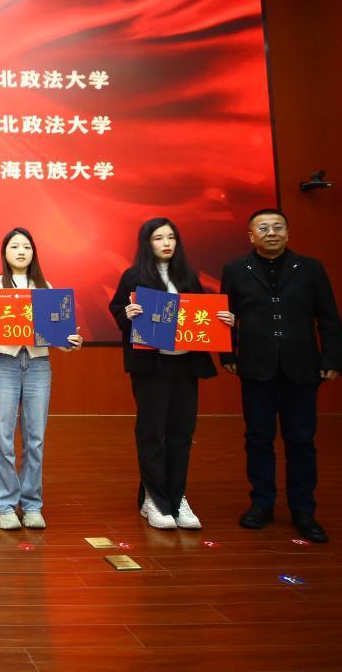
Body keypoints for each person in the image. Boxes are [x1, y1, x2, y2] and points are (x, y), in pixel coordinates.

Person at [221, 208, 342, 543]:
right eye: (263, 228)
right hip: (255, 367)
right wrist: (228, 354)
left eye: (278, 227)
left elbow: (329, 317)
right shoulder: (235, 269)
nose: (271, 232)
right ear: (251, 236)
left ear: (288, 233)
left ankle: (303, 510)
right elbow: (225, 316)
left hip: (302, 367)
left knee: (301, 441)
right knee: (258, 439)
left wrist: (332, 358)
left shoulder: (311, 268)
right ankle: (261, 504)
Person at [107, 218, 234, 531]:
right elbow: (118, 309)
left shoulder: (188, 275)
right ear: (147, 243)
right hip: (152, 366)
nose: (166, 243)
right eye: (158, 238)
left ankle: (177, 497)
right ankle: (156, 499)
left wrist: (224, 320)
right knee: (152, 431)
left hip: (185, 364)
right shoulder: (134, 275)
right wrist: (128, 313)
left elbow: (204, 316)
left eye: (171, 237)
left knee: (181, 432)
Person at [0, 227, 83, 531]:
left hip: (37, 365)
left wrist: (69, 341)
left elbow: (57, 331)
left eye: (26, 247)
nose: (21, 251)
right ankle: (3, 504)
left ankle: (32, 504)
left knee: (36, 438)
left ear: (33, 253)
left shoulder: (46, 288)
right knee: (2, 436)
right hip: (4, 363)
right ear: (4, 253)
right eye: (14, 246)